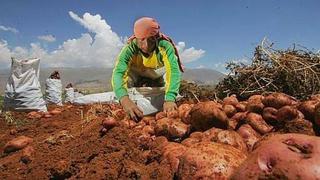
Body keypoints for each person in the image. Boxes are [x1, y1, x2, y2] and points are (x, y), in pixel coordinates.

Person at [111, 17, 184, 121]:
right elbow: (118, 73)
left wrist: (170, 99)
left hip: (157, 73)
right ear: (136, 37)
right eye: (141, 39)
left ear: (155, 37)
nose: (145, 44)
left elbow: (173, 70)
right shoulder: (130, 48)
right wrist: (124, 100)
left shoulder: (165, 45)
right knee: (126, 83)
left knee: (168, 87)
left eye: (150, 39)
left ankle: (158, 89)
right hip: (137, 72)